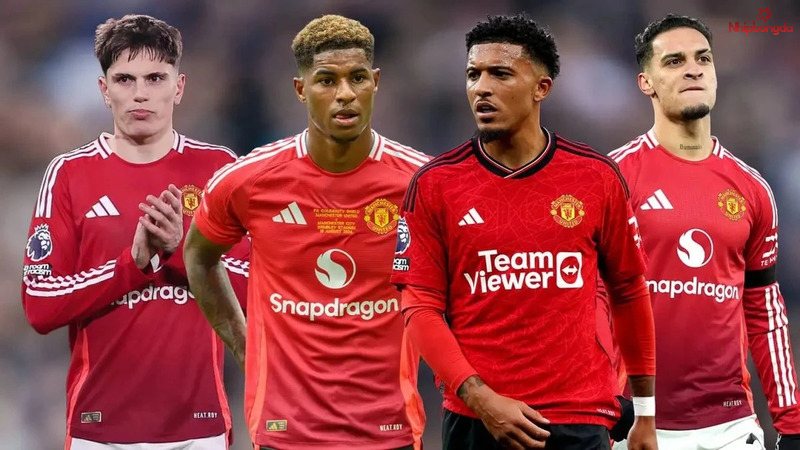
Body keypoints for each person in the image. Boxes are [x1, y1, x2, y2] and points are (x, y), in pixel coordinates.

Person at [391, 14, 659, 450]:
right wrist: (480, 397)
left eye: (500, 74)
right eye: (473, 75)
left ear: (541, 87)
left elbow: (629, 292)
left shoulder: (595, 178)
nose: (482, 88)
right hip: (477, 420)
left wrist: (645, 412)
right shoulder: (436, 184)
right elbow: (419, 306)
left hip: (579, 418)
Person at [183, 14, 428, 450]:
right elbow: (199, 256)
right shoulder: (248, 181)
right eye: (327, 81)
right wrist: (244, 346)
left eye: (357, 78)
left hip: (389, 431)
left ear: (375, 82)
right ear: (301, 89)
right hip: (284, 431)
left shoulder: (422, 184)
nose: (345, 94)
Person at [20, 14, 248, 449]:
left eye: (155, 78)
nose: (140, 93)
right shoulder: (69, 174)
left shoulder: (218, 169)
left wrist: (182, 251)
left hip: (200, 431)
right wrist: (133, 264)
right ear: (104, 90)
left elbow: (257, 287)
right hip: (99, 430)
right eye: (124, 79)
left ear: (179, 87)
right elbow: (40, 305)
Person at [609, 14, 800, 450]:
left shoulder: (752, 189)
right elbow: (586, 303)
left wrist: (791, 422)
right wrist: (600, 400)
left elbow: (765, 311)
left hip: (730, 426)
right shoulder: (614, 178)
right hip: (635, 425)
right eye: (674, 61)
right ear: (646, 83)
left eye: (703, 59)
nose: (693, 69)